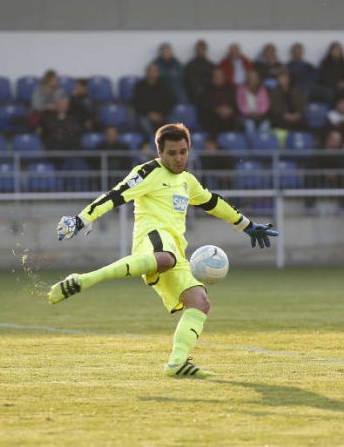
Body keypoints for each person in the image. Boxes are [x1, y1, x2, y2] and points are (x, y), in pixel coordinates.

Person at [48, 123, 279, 378]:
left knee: (199, 302)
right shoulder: (148, 172)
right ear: (160, 152)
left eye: (183, 151)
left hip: (175, 252)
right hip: (152, 239)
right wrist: (81, 219)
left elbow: (213, 202)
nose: (179, 158)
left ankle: (177, 363)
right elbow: (115, 195)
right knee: (165, 257)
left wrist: (246, 225)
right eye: (172, 153)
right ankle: (84, 280)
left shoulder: (187, 181)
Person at [132, 63, 176, 138]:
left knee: (174, 123)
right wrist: (149, 114)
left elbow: (171, 101)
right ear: (147, 72)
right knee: (144, 123)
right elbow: (137, 103)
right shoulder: (139, 87)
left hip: (162, 115)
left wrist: (161, 114)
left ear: (158, 72)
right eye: (150, 71)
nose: (152, 73)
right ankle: (152, 141)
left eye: (155, 71)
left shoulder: (164, 86)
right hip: (146, 115)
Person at [200, 68, 238, 135]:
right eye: (216, 77)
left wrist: (230, 109)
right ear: (212, 78)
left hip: (230, 119)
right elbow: (205, 106)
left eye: (221, 76)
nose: (218, 79)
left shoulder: (230, 90)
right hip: (213, 120)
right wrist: (217, 110)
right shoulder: (206, 91)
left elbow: (236, 104)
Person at [237, 69, 270, 138]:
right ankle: (252, 147)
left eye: (254, 77)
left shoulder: (262, 90)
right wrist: (249, 111)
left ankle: (260, 145)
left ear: (258, 79)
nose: (252, 79)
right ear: (247, 78)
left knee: (265, 125)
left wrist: (258, 111)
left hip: (259, 116)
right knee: (250, 125)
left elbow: (265, 105)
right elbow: (240, 104)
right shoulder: (241, 89)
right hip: (246, 116)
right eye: (251, 77)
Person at [184, 40, 215, 107]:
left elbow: (213, 80)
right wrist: (197, 87)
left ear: (205, 50)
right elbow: (187, 80)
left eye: (202, 49)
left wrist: (204, 87)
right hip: (193, 96)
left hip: (208, 96)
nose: (200, 51)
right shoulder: (189, 65)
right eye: (198, 49)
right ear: (196, 50)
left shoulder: (211, 66)